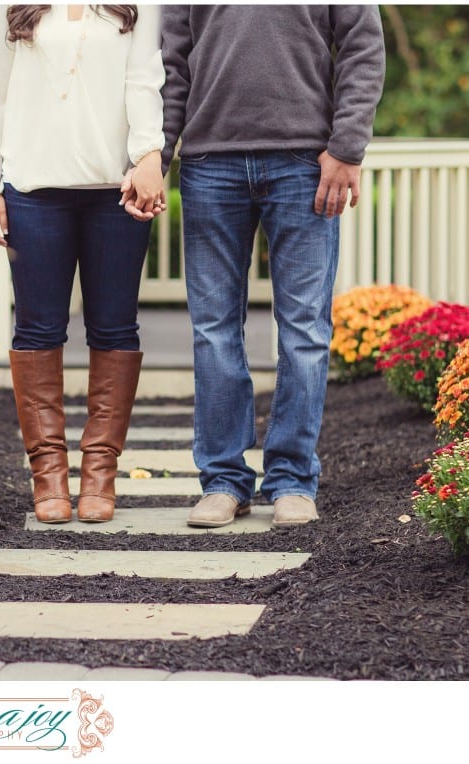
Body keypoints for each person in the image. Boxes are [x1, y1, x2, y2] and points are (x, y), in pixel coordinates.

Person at [124, 5, 385, 527]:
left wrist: (347, 146)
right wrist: (157, 153)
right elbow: (173, 65)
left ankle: (291, 481)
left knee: (304, 329)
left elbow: (363, 48)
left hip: (305, 164)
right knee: (214, 329)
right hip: (208, 165)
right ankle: (223, 480)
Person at [0, 4, 166, 523]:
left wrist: (149, 155)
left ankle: (100, 476)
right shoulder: (10, 7)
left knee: (114, 328)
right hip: (34, 189)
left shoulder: (136, 6)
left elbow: (145, 79)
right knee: (37, 330)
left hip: (116, 190)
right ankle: (50, 478)